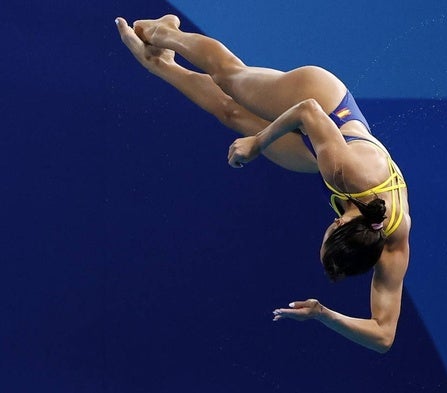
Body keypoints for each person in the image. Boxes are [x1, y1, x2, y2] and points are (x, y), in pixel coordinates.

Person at [115, 14, 411, 353]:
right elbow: (308, 111)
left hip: (320, 149)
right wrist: (258, 144)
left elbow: (383, 336)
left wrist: (322, 313)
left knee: (233, 114)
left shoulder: (392, 244)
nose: (327, 226)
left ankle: (160, 65)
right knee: (230, 78)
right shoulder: (344, 173)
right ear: (341, 223)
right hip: (324, 102)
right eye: (328, 234)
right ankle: (165, 33)